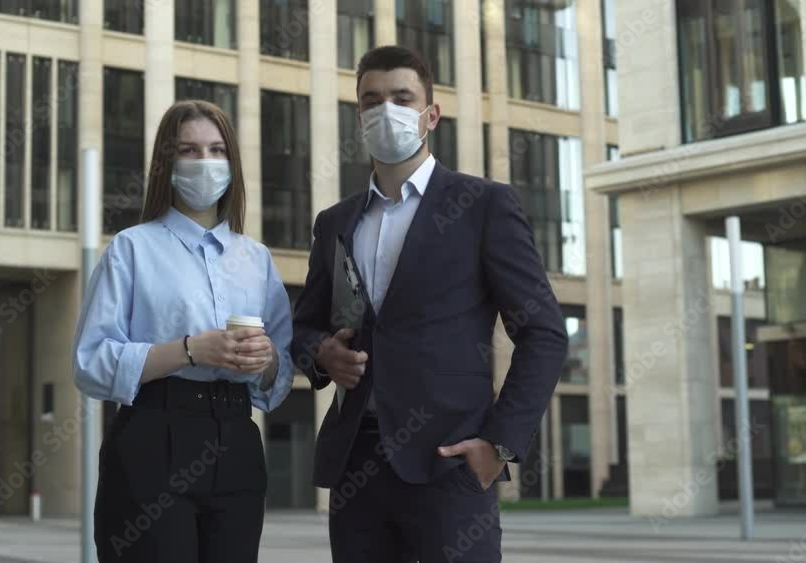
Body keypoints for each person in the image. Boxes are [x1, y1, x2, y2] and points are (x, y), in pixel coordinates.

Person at [291, 46, 568, 563]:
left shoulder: (484, 205)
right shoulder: (335, 222)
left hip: (451, 466)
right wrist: (321, 354)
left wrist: (498, 444)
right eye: (372, 100)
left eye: (401, 97)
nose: (385, 110)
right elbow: (303, 326)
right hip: (356, 467)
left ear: (430, 114)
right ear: (359, 116)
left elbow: (545, 333)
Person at [72, 100, 293, 562]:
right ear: (166, 164)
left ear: (232, 162)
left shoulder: (256, 259)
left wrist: (266, 360)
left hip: (236, 440)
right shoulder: (131, 249)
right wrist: (191, 350)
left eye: (216, 150)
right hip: (153, 436)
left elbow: (280, 375)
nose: (205, 162)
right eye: (189, 151)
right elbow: (91, 362)